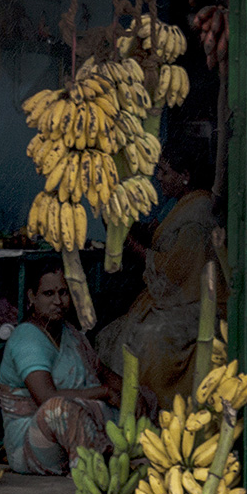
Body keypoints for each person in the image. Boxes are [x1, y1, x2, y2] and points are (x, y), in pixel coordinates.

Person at [97, 142, 230, 406]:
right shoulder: (178, 205)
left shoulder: (198, 213)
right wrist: (120, 222)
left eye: (164, 172)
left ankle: (157, 409)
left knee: (149, 339)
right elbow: (156, 235)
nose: (158, 178)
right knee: (116, 333)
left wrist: (128, 243)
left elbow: (172, 271)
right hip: (176, 302)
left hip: (195, 304)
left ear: (185, 176)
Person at [0, 261, 124, 475]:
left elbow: (102, 372)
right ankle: (88, 475)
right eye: (48, 294)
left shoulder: (70, 333)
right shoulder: (26, 338)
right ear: (31, 297)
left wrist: (132, 392)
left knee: (144, 401)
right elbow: (46, 398)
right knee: (59, 410)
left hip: (77, 428)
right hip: (33, 444)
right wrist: (103, 393)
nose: (58, 301)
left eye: (63, 292)